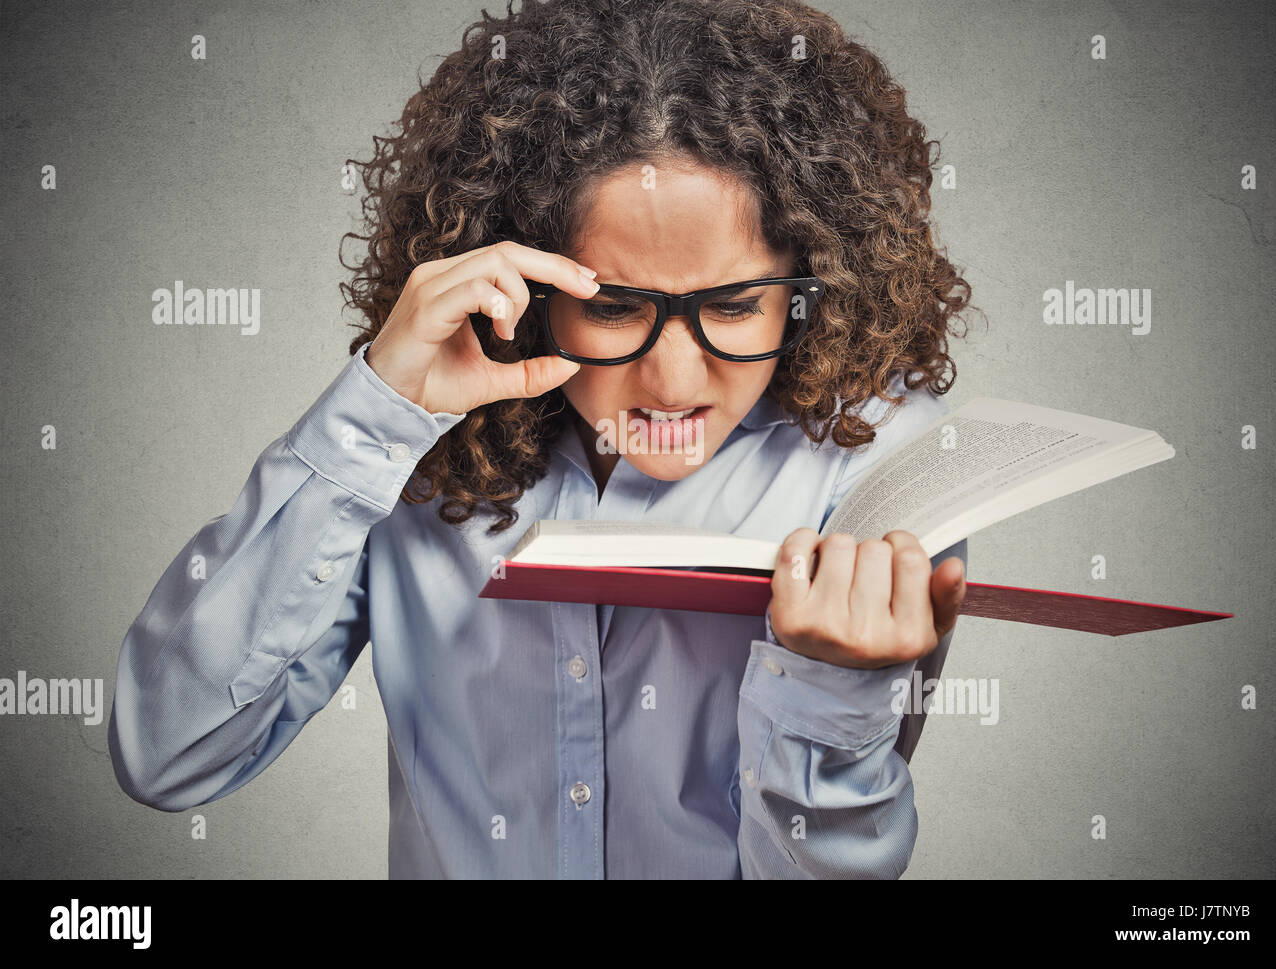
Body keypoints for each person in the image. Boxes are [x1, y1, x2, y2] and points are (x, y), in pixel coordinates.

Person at [108, 0, 974, 878]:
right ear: (523, 282)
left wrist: (831, 697)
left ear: (810, 285)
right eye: (615, 307)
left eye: (735, 305)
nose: (675, 380)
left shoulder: (875, 460)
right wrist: (375, 410)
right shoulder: (407, 443)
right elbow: (168, 753)